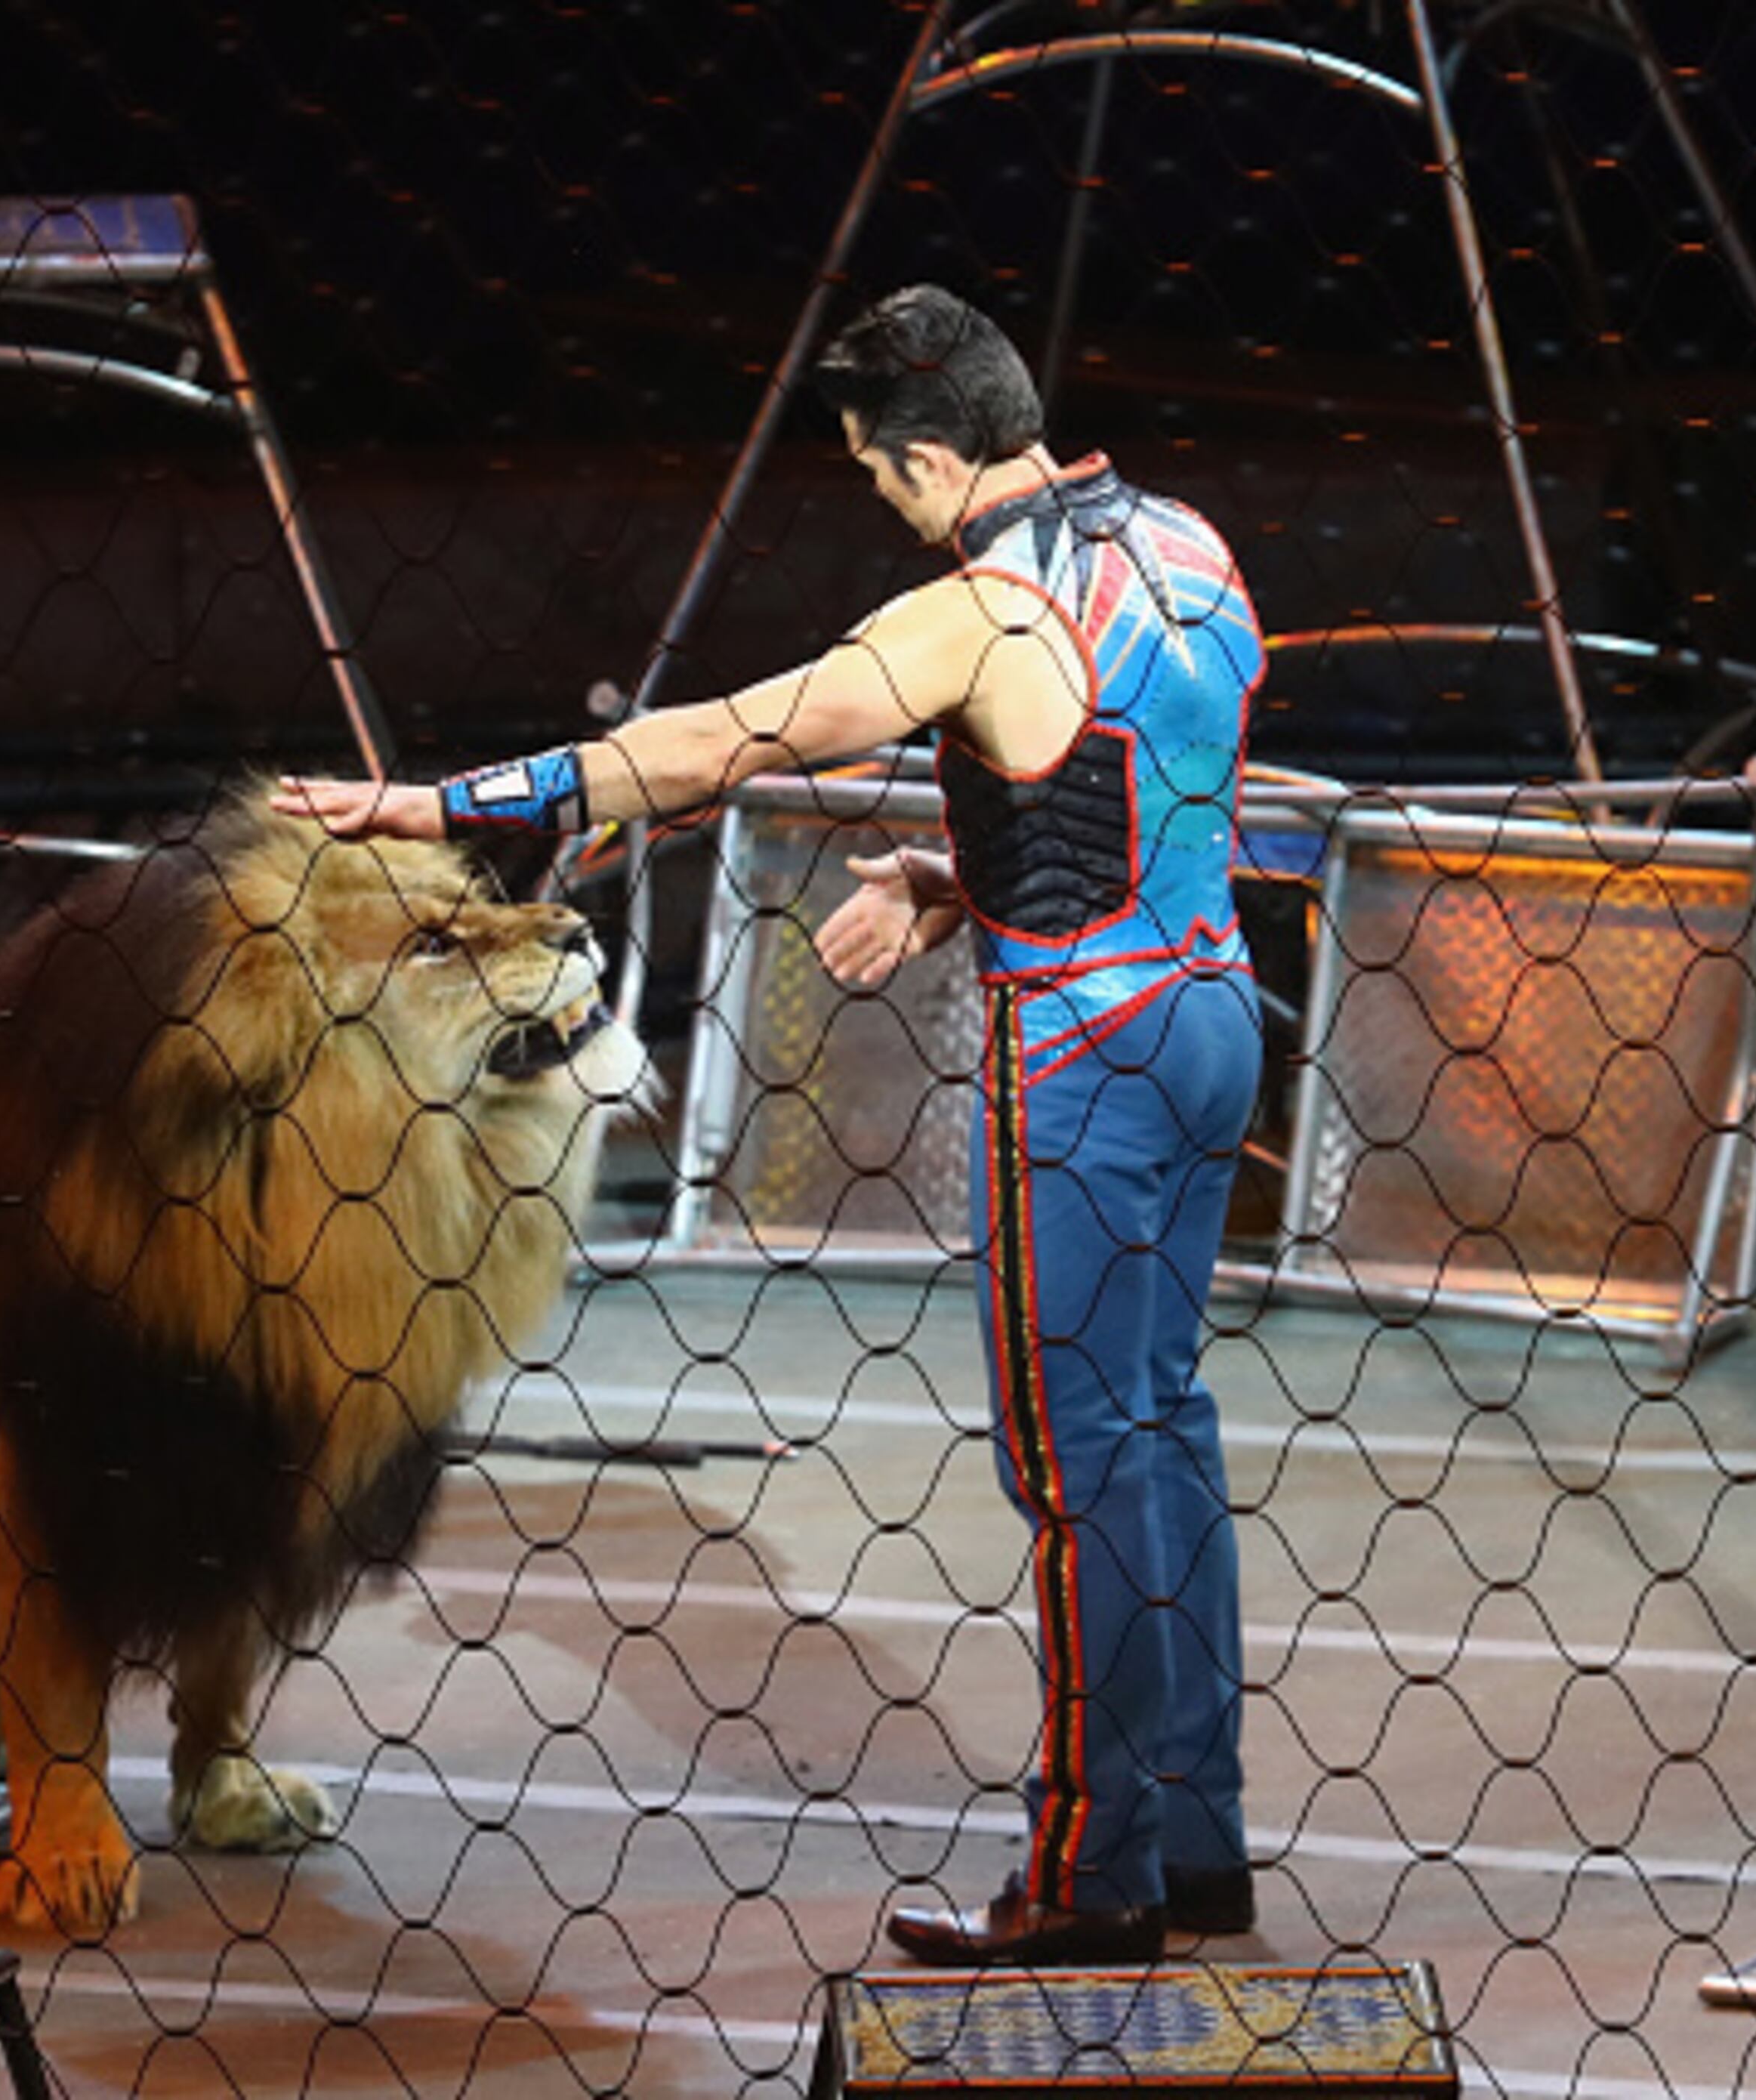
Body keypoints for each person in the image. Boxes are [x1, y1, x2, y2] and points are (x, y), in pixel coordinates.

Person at [275, 283, 1264, 1967]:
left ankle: (1093, 1882)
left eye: (883, 475)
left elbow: (714, 744)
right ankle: (1194, 1840)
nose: (884, 502)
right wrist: (976, 881)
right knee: (1162, 1423)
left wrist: (435, 805)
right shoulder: (1188, 543)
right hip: (1214, 1015)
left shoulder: (979, 611)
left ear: (936, 454)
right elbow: (1157, 783)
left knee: (1076, 1462)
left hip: (1086, 1059)